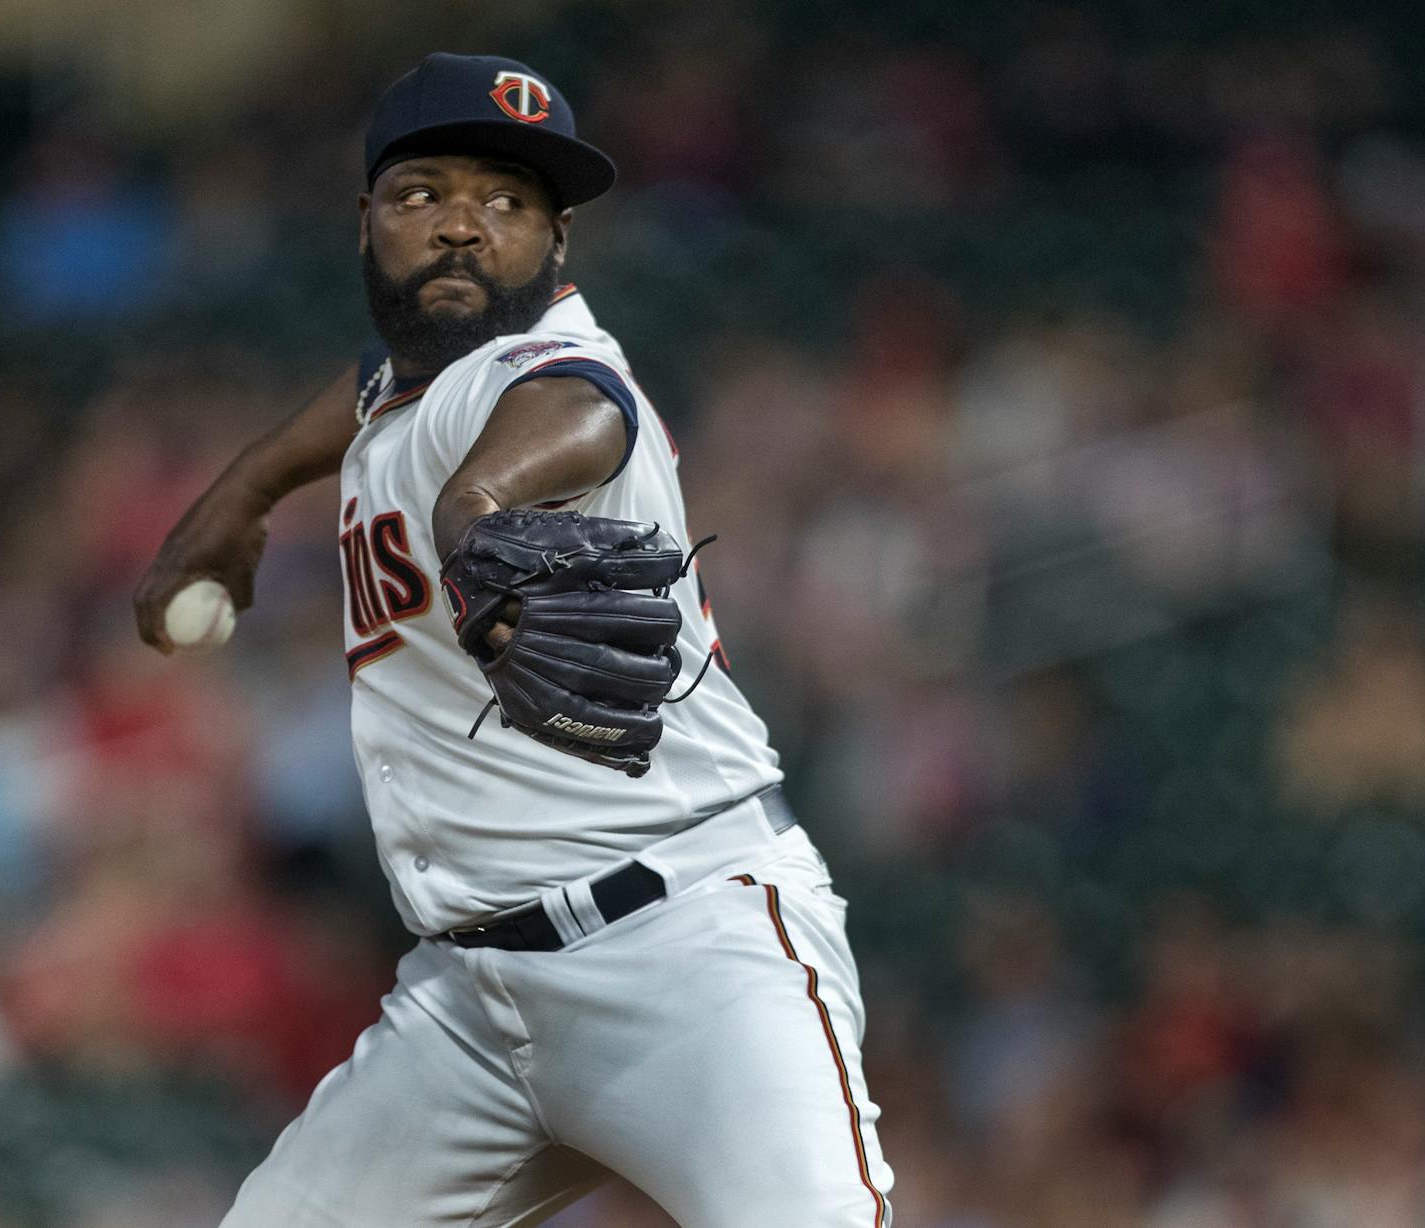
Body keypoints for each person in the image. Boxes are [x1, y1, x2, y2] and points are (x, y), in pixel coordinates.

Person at [135, 53, 891, 1226]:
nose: (461, 228)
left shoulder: (557, 371)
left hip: (687, 947)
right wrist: (244, 487)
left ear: (559, 244)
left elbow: (569, 417)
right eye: (423, 193)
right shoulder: (412, 383)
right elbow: (380, 389)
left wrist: (478, 515)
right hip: (470, 1000)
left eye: (505, 201)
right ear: (367, 221)